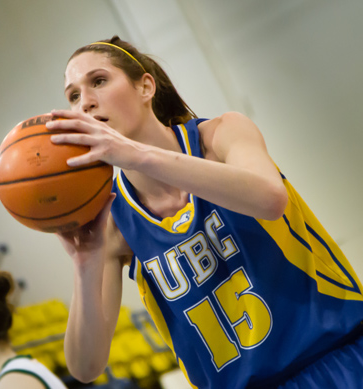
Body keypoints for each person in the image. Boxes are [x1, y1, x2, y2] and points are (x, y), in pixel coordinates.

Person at [45, 36, 363, 388]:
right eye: (73, 95)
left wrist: (136, 154)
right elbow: (85, 367)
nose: (85, 103)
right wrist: (85, 264)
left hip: (338, 359)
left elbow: (269, 199)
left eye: (99, 81)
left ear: (145, 86)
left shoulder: (221, 135)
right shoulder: (113, 220)